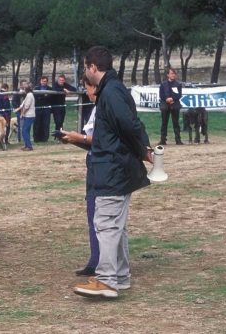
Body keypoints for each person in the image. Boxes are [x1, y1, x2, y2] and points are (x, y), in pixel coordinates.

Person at [73, 46, 152, 299]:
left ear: (92, 68)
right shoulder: (113, 89)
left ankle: (106, 280)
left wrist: (145, 150)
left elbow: (130, 125)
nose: (84, 72)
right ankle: (120, 276)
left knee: (106, 223)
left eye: (85, 68)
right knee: (115, 225)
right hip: (116, 168)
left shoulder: (111, 92)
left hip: (113, 170)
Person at [59, 74, 99, 277]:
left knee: (99, 216)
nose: (86, 92)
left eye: (88, 88)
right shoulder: (95, 109)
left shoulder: (104, 109)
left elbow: (101, 140)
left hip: (101, 168)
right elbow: (92, 143)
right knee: (92, 214)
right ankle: (95, 260)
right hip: (93, 163)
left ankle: (101, 263)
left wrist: (80, 137)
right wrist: (73, 139)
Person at [158, 68, 183, 145]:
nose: (173, 75)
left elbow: (179, 95)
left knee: (176, 123)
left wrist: (172, 99)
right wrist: (166, 99)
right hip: (165, 106)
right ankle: (163, 139)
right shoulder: (163, 84)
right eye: (171, 73)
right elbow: (161, 94)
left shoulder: (178, 85)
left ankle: (178, 139)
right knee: (164, 123)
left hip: (175, 105)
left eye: (174, 73)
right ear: (168, 75)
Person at [13, 85, 35, 151]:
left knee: (24, 130)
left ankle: (29, 146)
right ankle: (27, 145)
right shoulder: (28, 95)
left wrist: (22, 114)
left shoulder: (29, 95)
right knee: (26, 130)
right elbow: (23, 104)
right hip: (28, 115)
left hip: (30, 115)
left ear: (26, 90)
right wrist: (17, 109)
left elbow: (27, 106)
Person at [33, 76, 53, 143]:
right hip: (38, 108)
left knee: (46, 124)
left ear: (47, 82)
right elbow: (36, 96)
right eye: (42, 81)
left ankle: (45, 138)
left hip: (46, 109)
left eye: (45, 81)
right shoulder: (36, 88)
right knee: (37, 123)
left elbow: (50, 97)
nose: (43, 82)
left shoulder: (50, 89)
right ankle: (36, 138)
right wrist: (44, 95)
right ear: (40, 81)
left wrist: (41, 96)